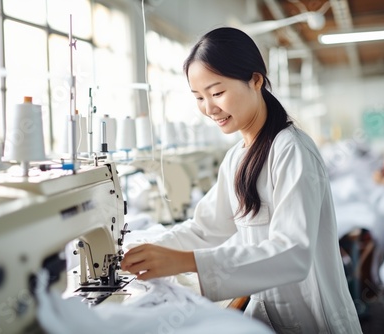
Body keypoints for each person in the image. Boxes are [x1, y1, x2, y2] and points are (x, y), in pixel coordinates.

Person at [121, 27, 362, 333]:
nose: (209, 108)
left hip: (314, 317)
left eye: (217, 92)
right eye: (199, 97)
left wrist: (184, 262)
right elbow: (206, 228)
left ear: (256, 80)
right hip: (270, 313)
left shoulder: (292, 150)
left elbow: (293, 253)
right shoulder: (237, 156)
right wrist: (148, 248)